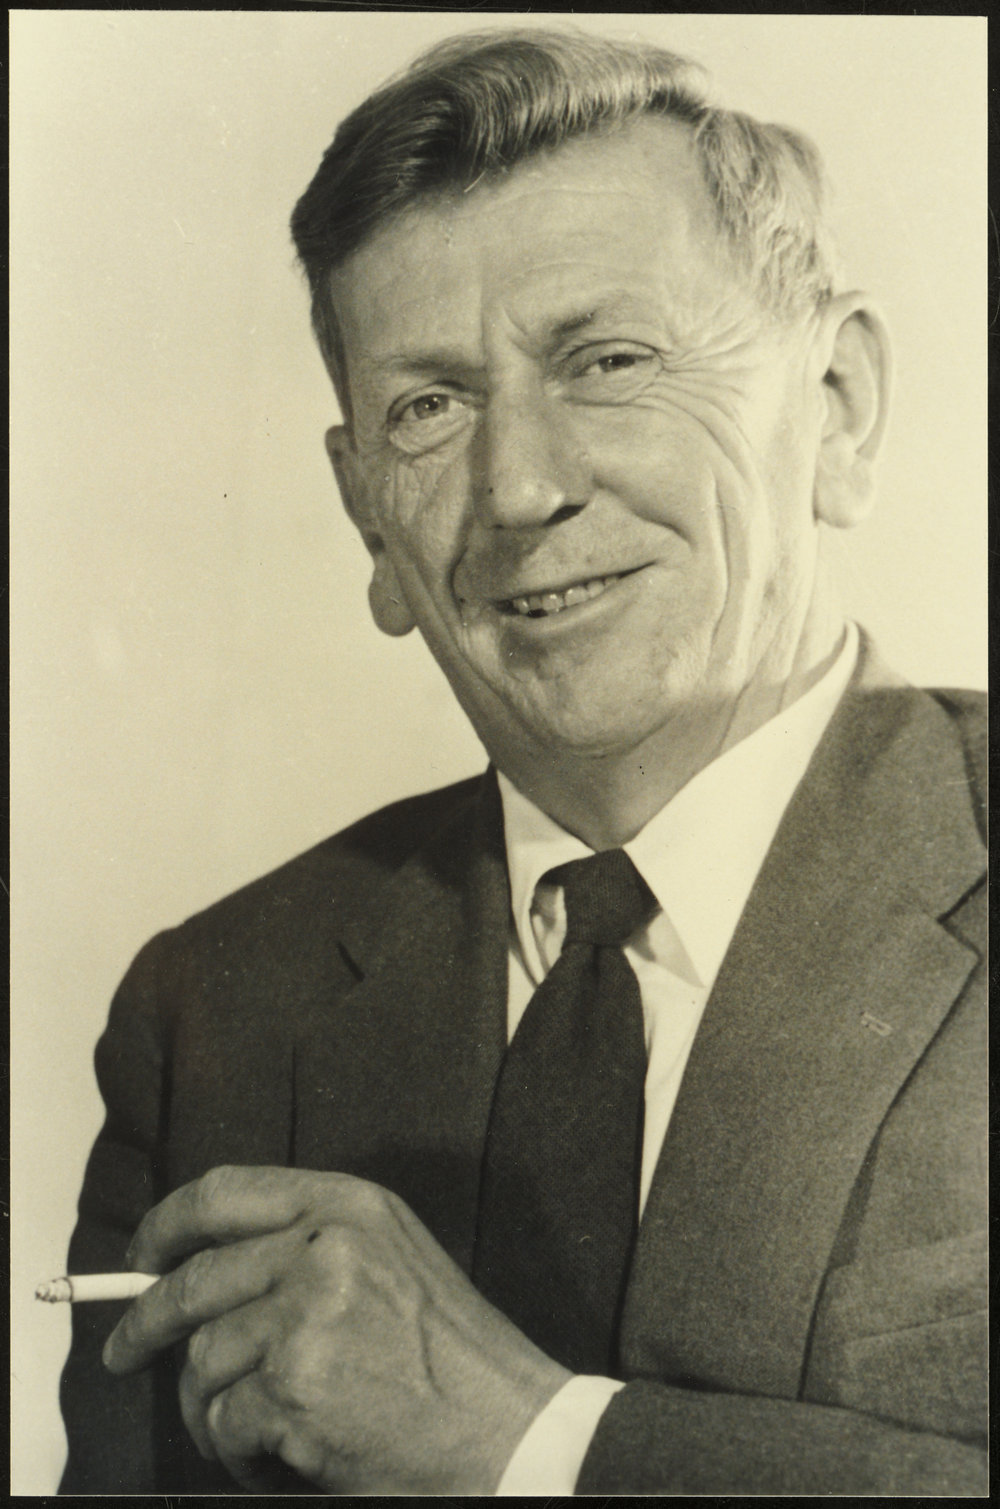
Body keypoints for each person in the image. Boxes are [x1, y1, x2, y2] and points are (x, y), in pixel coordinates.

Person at [58, 28, 986, 1495]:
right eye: (429, 407)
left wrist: (538, 1441)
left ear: (838, 405)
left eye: (608, 359)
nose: (520, 486)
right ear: (369, 519)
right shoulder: (215, 1014)